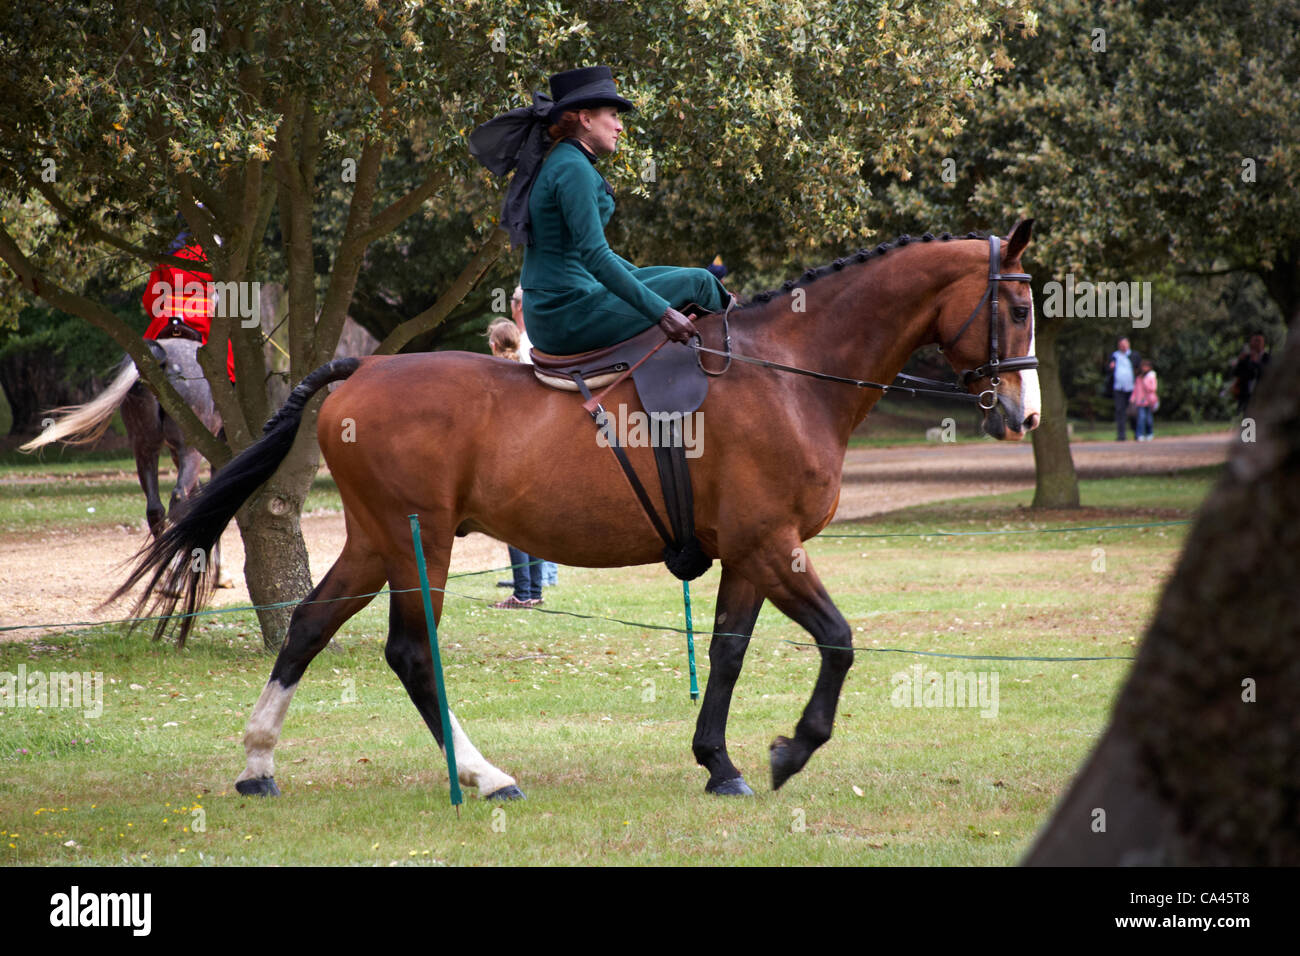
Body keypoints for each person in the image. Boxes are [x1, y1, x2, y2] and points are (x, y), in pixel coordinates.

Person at [469, 65, 731, 356]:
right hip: (563, 313)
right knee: (701, 281)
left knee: (692, 278)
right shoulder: (572, 168)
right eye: (614, 115)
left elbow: (591, 253)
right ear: (586, 119)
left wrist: (649, 283)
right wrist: (663, 313)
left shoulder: (566, 160)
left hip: (564, 304)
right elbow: (595, 256)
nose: (620, 126)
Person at [485, 318, 544, 609]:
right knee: (532, 526)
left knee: (515, 528)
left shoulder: (497, 375)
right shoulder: (531, 369)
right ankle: (535, 590)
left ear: (493, 345)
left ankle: (522, 593)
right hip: (535, 452)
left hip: (511, 455)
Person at [142, 228, 236, 382]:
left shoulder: (164, 255)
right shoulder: (214, 255)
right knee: (229, 368)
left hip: (166, 319)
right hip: (201, 319)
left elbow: (150, 300)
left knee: (140, 360)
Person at [1106, 337, 1140, 441]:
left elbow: (1140, 369)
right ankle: (1121, 435)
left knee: (1133, 411)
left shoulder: (1134, 355)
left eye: (1125, 344)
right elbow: (1107, 370)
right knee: (1120, 411)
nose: (1123, 346)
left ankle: (1137, 433)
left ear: (1129, 344)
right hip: (1118, 387)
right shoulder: (1114, 356)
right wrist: (1110, 367)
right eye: (1121, 344)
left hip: (1132, 388)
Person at [1229, 332, 1270, 416]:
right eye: (1254, 341)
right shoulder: (1246, 358)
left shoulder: (1268, 358)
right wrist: (1240, 361)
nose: (1255, 344)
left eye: (1258, 341)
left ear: (1263, 343)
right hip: (1246, 395)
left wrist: (1255, 362)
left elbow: (1266, 373)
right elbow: (1236, 373)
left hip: (1262, 395)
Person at [1131, 358, 1158, 441]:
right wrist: (1132, 398)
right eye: (1143, 366)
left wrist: (1145, 382)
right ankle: (1139, 434)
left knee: (1149, 419)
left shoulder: (1151, 377)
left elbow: (1152, 389)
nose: (1144, 368)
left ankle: (1149, 433)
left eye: (1146, 366)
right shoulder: (1138, 378)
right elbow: (1135, 389)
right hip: (1140, 401)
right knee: (1141, 418)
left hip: (1149, 401)